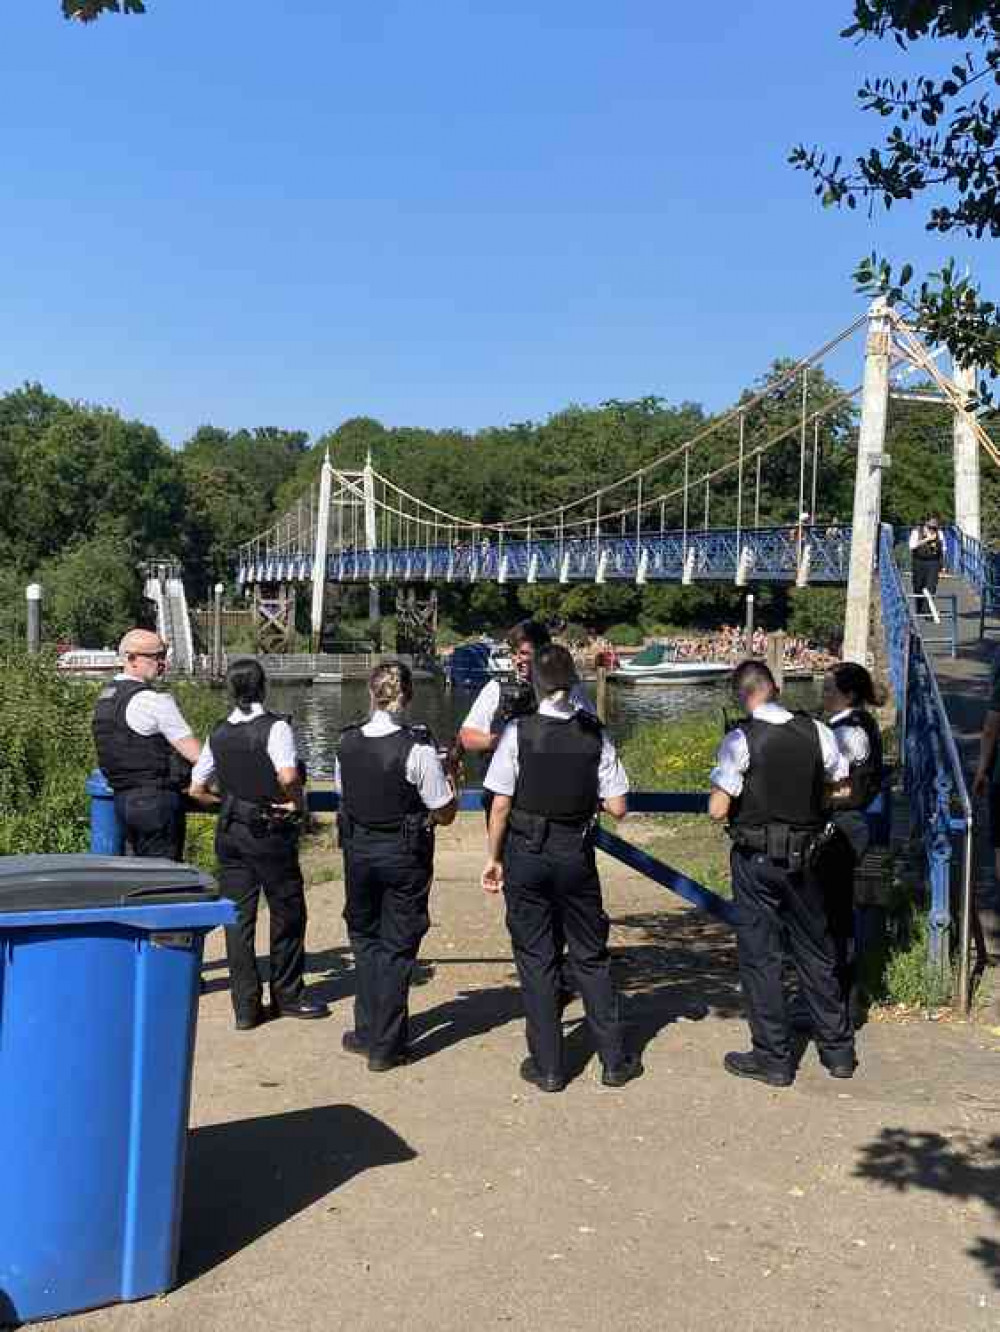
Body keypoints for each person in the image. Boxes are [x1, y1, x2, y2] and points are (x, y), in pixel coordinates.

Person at [481, 644, 642, 1092]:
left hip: (527, 852)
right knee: (590, 955)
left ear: (535, 682)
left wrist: (494, 859)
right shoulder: (594, 733)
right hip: (575, 853)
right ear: (572, 682)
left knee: (537, 959)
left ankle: (549, 1066)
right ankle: (613, 1060)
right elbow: (618, 806)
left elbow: (499, 805)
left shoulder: (519, 732)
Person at [709, 659, 856, 1087]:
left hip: (757, 860)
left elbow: (718, 808)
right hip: (809, 856)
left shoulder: (741, 739)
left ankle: (773, 1057)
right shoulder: (817, 731)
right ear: (775, 686)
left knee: (762, 958)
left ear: (742, 694)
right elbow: (841, 784)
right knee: (817, 951)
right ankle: (838, 1051)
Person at [458, 618, 595, 1006]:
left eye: (527, 655)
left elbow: (593, 735)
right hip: (510, 807)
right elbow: (467, 736)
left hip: (562, 812)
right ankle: (542, 977)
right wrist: (504, 741)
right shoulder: (496, 688)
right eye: (515, 654)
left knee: (559, 898)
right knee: (524, 897)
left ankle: (549, 975)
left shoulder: (573, 694)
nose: (520, 662)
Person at [190, 659, 329, 1030]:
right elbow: (286, 775)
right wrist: (295, 803)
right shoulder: (275, 727)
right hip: (269, 830)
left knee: (239, 919)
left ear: (231, 691)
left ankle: (246, 1006)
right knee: (287, 911)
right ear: (263, 687)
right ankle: (287, 995)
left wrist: (230, 804)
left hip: (230, 832)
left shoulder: (218, 732)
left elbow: (197, 788)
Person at [336, 661, 457, 1072]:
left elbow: (343, 792)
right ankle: (386, 1046)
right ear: (406, 697)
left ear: (372, 693)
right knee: (398, 945)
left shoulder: (346, 742)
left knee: (365, 940)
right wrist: (451, 781)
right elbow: (442, 812)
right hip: (403, 853)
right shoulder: (417, 748)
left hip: (358, 850)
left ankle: (368, 1029)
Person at [92, 627, 201, 860]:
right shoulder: (154, 701)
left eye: (164, 656)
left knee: (138, 879)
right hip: (156, 802)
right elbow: (197, 756)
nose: (163, 663)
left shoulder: (105, 699)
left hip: (122, 803)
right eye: (156, 657)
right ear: (131, 658)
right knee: (165, 880)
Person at [817, 662, 885, 1024]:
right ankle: (838, 1000)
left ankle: (840, 1004)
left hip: (844, 824)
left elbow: (841, 782)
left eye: (830, 689)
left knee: (834, 916)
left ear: (849, 695)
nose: (824, 695)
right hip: (847, 820)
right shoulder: (854, 725)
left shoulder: (849, 733)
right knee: (835, 915)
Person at [909, 517, 944, 610]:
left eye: (935, 528)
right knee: (918, 585)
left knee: (931, 586)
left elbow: (943, 549)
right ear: (925, 525)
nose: (932, 530)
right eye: (930, 527)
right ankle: (919, 607)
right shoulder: (917, 532)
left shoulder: (939, 534)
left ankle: (927, 611)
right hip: (919, 562)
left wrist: (942, 565)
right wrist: (927, 539)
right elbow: (912, 546)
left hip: (933, 562)